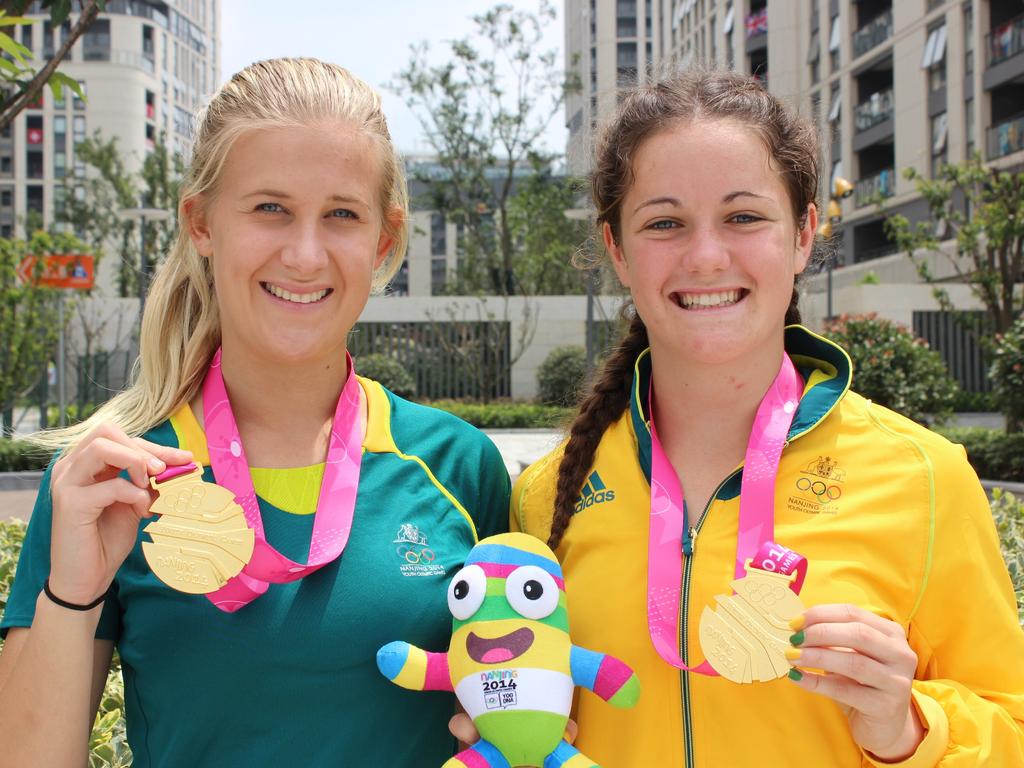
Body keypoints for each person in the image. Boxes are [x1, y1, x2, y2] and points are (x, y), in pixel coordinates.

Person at [0, 58, 509, 767]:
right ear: (201, 224)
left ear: (383, 239)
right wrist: (73, 594)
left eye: (341, 215)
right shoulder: (106, 483)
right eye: (270, 208)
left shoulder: (460, 467)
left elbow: (519, 704)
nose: (304, 254)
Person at [510, 68, 1024, 766]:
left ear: (805, 234)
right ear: (617, 251)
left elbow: (1011, 727)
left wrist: (912, 732)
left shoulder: (924, 477)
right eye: (665, 223)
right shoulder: (547, 497)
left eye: (744, 217)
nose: (706, 256)